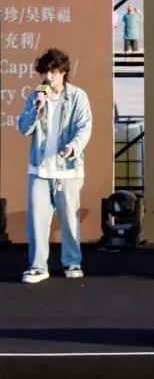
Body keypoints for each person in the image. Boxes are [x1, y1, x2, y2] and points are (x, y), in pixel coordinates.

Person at [16, 48, 92, 284]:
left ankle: (72, 262)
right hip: (39, 169)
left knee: (69, 219)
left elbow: (84, 127)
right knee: (37, 222)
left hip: (68, 169)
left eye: (53, 72)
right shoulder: (35, 96)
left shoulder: (78, 96)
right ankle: (38, 267)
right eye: (45, 72)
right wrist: (37, 108)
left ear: (63, 72)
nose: (48, 77)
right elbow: (23, 128)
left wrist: (73, 147)